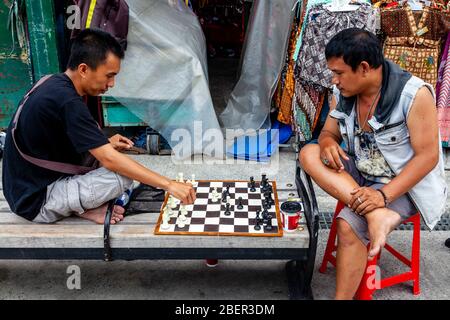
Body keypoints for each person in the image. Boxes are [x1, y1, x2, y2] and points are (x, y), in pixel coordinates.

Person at [299, 28, 447, 300]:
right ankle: (374, 215)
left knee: (347, 226)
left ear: (364, 68)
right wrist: (327, 142)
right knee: (308, 153)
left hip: (403, 184)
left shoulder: (414, 95)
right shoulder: (343, 91)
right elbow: (328, 133)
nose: (335, 80)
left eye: (339, 73)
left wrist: (382, 196)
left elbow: (428, 158)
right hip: (363, 175)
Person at [2, 28, 196, 225]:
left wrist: (106, 143)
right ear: (84, 69)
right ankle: (81, 209)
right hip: (36, 201)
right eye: (109, 75)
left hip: (22, 189)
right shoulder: (67, 101)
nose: (111, 83)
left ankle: (80, 205)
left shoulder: (53, 83)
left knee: (118, 161)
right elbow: (110, 161)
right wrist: (169, 185)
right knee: (122, 177)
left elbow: (59, 142)